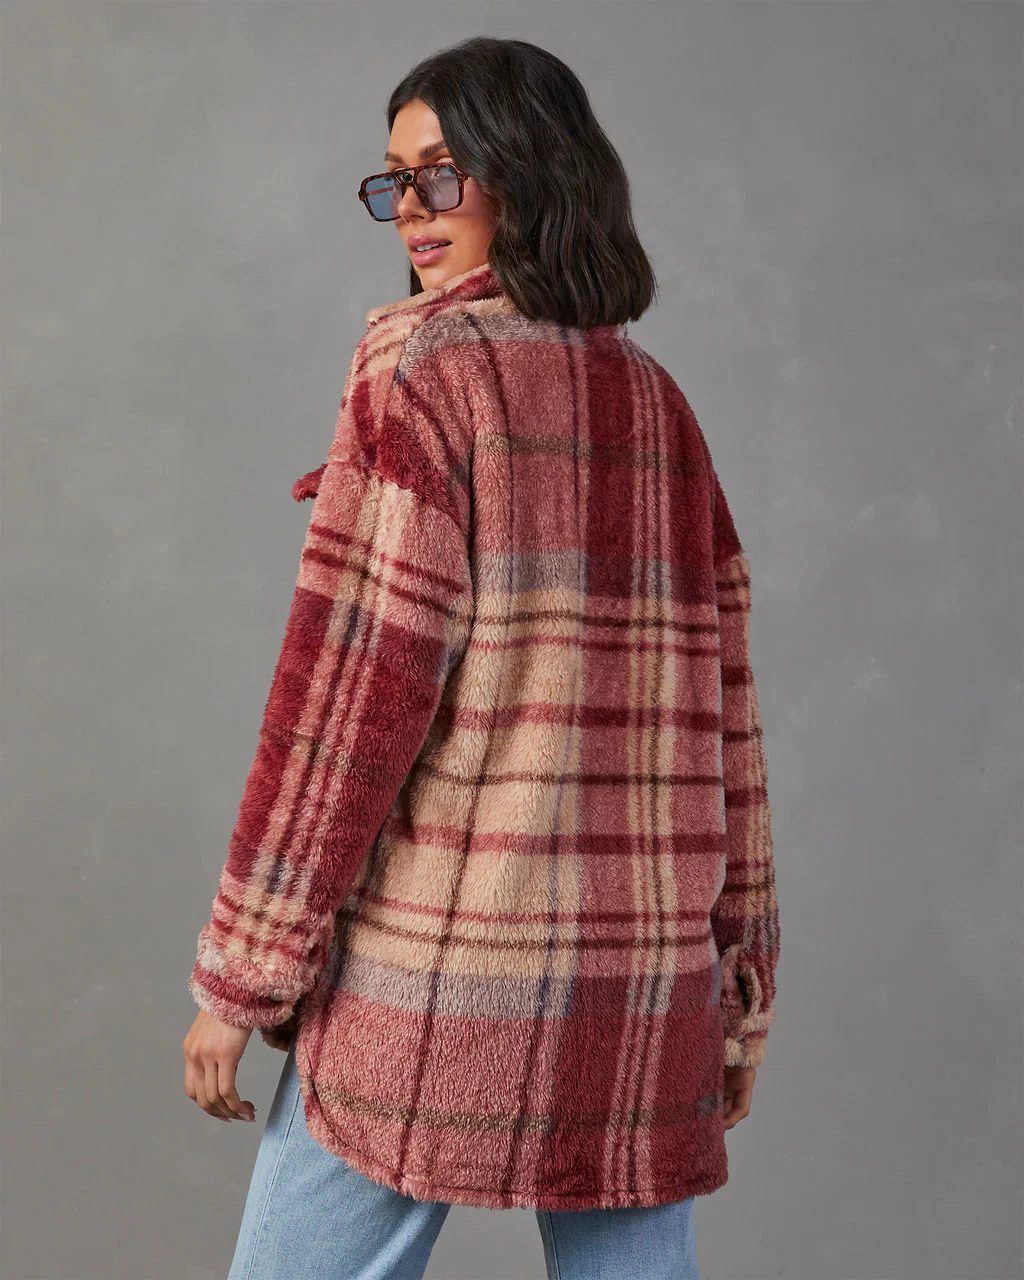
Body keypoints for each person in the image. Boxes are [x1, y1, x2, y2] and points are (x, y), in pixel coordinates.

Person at [183, 35, 780, 1280]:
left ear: (528, 170)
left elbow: (346, 709)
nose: (411, 208)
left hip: (441, 974)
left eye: (441, 173)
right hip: (640, 993)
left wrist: (241, 978)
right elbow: (727, 726)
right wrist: (735, 985)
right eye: (394, 180)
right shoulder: (658, 402)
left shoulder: (423, 372)